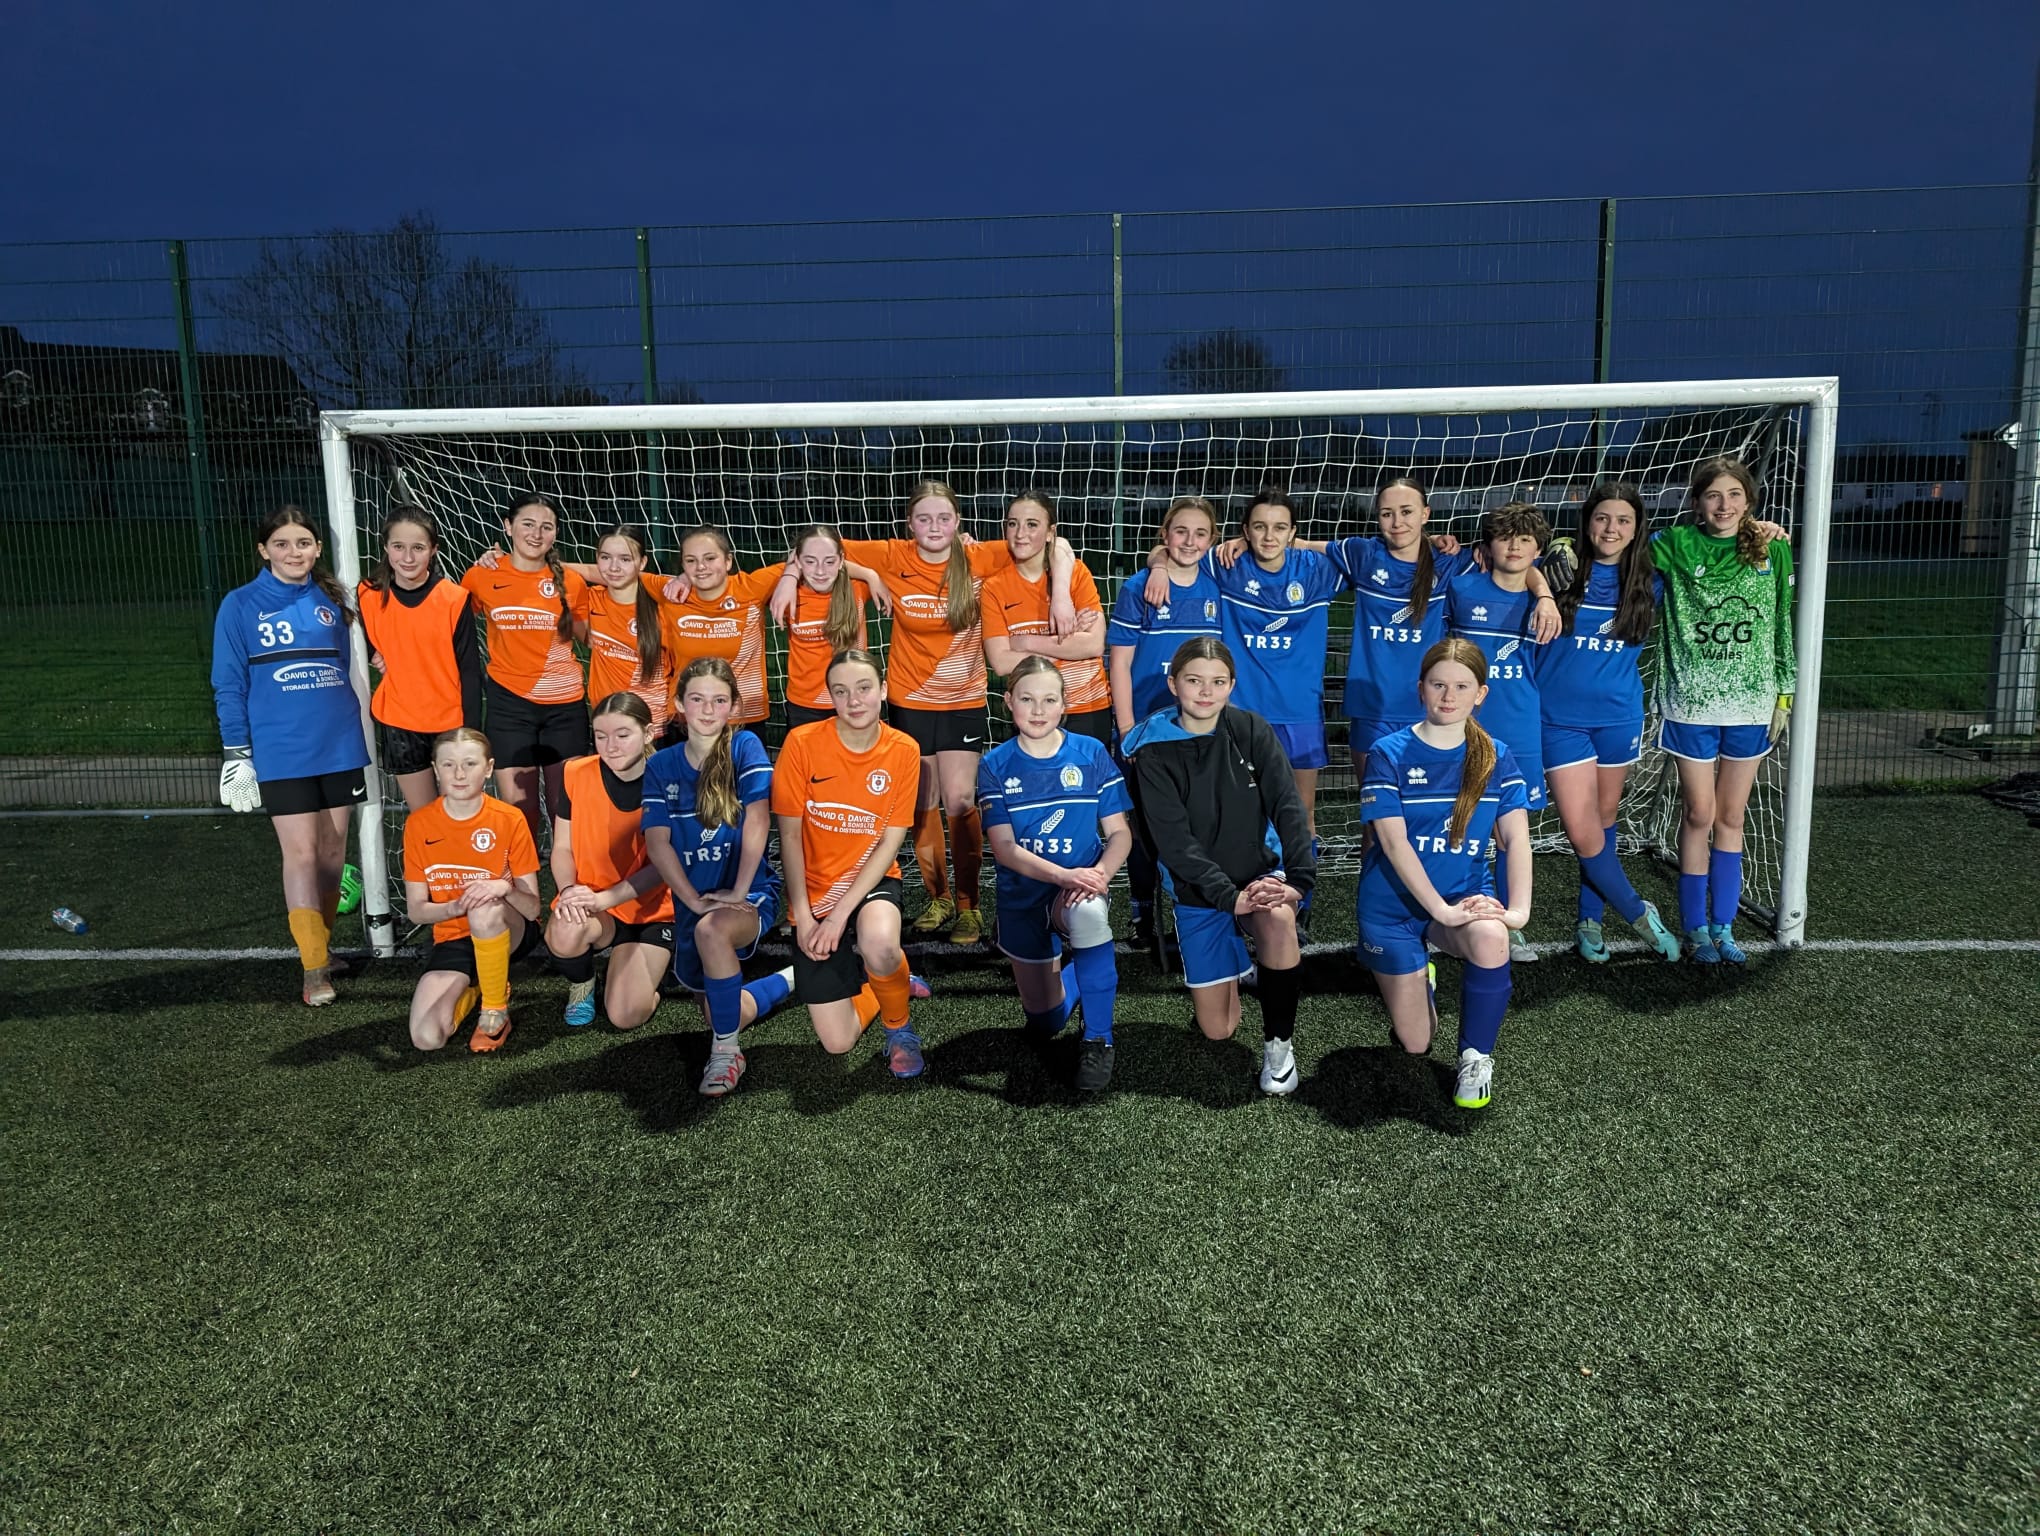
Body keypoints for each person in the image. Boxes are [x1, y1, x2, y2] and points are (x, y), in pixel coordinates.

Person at [792, 481, 1076, 946]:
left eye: (944, 518)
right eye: (923, 518)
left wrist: (1061, 594)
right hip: (910, 699)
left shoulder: (979, 556)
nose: (934, 527)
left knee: (961, 801)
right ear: (910, 524)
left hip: (964, 698)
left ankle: (969, 905)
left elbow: (1057, 546)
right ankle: (938, 897)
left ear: (958, 522)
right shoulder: (893, 555)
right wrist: (869, 575)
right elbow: (820, 548)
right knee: (922, 803)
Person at [1122, 638, 1312, 1097]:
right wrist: (1229, 899)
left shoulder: (1250, 729)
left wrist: (1299, 880)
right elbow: (1174, 843)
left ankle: (1280, 1047)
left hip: (1259, 874)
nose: (1206, 692)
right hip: (1199, 889)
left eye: (1218, 682)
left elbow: (1288, 805)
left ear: (1231, 685)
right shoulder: (1152, 750)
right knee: (1218, 1030)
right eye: (1194, 681)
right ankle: (1236, 956)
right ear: (1174, 684)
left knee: (1278, 918)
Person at [1357, 638, 1530, 1111]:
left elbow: (1516, 839)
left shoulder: (1496, 756)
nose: (1448, 696)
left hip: (1462, 897)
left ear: (1481, 694)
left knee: (1492, 935)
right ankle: (1422, 979)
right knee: (1415, 1043)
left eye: (1461, 686)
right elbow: (1393, 844)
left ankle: (1475, 1059)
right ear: (1421, 689)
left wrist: (1517, 912)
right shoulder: (1388, 752)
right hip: (1392, 908)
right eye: (1438, 685)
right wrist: (1440, 911)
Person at [211, 504, 371, 1007]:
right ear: (264, 550)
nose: (293, 552)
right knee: (301, 853)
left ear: (317, 548)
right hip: (281, 749)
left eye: (303, 543)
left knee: (332, 854)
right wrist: (237, 753)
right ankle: (313, 968)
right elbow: (228, 684)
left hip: (339, 743)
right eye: (281, 544)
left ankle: (322, 945)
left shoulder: (332, 599)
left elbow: (345, 667)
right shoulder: (240, 604)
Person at [1652, 456, 1796, 964]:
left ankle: (1724, 926)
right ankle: (1695, 928)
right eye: (1713, 495)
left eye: (1735, 494)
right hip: (1691, 702)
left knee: (1732, 815)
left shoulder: (1773, 550)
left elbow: (1782, 620)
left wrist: (1785, 691)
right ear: (1696, 502)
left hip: (1752, 702)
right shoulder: (1674, 543)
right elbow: (1616, 548)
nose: (1724, 505)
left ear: (1749, 501)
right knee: (1699, 813)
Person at [1532, 482, 1683, 964]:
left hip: (1619, 718)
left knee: (1603, 821)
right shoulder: (1557, 572)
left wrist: (1760, 530)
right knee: (1581, 831)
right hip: (1559, 721)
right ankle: (1639, 912)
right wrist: (1552, 551)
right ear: (1586, 522)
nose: (1611, 528)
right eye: (1602, 518)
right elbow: (1506, 558)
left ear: (1637, 529)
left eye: (1623, 520)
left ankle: (1589, 920)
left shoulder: (1651, 579)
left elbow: (1705, 540)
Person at [640, 659, 796, 1096]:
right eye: (697, 699)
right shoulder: (661, 764)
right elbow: (657, 843)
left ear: (734, 706)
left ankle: (726, 1055)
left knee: (713, 932)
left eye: (719, 700)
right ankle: (795, 977)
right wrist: (691, 899)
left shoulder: (745, 746)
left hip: (750, 893)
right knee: (722, 1012)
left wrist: (740, 889)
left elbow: (759, 819)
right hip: (694, 900)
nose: (708, 710)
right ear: (678, 704)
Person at [977, 657, 1133, 1091]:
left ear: (1064, 705)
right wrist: (1064, 877)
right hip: (1024, 894)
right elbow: (1005, 849)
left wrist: (1099, 874)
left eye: (1049, 700)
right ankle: (1084, 977)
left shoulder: (1091, 753)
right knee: (1045, 1023)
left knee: (1089, 915)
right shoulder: (994, 764)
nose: (1038, 710)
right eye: (1027, 699)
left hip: (1080, 886)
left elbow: (1120, 834)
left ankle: (1098, 1038)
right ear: (1009, 702)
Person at [770, 648, 927, 1077]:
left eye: (863, 688)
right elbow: (789, 837)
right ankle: (890, 982)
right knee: (837, 1042)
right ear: (830, 696)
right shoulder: (801, 743)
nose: (854, 700)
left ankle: (899, 1027)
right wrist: (804, 916)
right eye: (841, 691)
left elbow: (890, 842)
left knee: (879, 942)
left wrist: (840, 916)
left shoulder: (904, 750)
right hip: (815, 889)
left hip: (871, 878)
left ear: (883, 690)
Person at [1442, 501, 1564, 963]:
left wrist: (1545, 593)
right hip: (1467, 727)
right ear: (1488, 545)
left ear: (1538, 549)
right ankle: (1460, 913)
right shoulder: (1461, 587)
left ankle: (1510, 923)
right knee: (1462, 825)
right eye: (1505, 537)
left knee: (1512, 832)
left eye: (1525, 539)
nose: (1514, 547)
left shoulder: (1544, 602)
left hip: (1521, 727)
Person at [1109, 496, 1222, 952]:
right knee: (1143, 825)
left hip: (1199, 729)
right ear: (1164, 534)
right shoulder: (1139, 587)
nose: (1189, 541)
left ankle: (1193, 907)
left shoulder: (1217, 584)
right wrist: (1127, 730)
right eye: (1180, 531)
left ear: (1212, 540)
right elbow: (1119, 664)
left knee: (1198, 822)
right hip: (1147, 731)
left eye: (1200, 533)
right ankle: (1141, 910)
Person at [543, 692, 677, 1036]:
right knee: (565, 929)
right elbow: (562, 848)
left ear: (648, 734)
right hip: (596, 904)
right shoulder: (576, 773)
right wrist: (569, 890)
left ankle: (662, 969)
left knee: (625, 1015)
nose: (611, 746)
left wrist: (603, 899)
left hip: (652, 911)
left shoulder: (672, 782)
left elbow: (663, 867)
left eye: (622, 735)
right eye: (601, 736)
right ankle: (582, 982)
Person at [402, 728, 543, 1052]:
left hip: (510, 928)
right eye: (448, 764)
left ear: (489, 768)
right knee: (427, 1038)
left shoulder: (509, 819)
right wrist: (455, 907)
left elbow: (533, 909)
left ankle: (495, 1008)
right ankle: (483, 982)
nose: (459, 774)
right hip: (454, 935)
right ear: (435, 769)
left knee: (484, 907)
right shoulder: (419, 824)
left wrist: (503, 888)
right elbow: (417, 911)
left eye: (469, 763)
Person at [460, 492, 589, 842]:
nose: (536, 534)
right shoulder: (481, 576)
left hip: (565, 706)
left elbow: (591, 637)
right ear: (508, 526)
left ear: (556, 533)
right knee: (519, 811)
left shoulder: (572, 582)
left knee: (566, 809)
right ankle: (524, 876)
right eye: (527, 524)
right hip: (509, 706)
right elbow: (450, 626)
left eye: (546, 527)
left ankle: (568, 876)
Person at [356, 505, 481, 811]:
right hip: (400, 722)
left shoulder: (453, 598)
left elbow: (470, 671)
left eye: (418, 548)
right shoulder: (368, 594)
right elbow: (357, 638)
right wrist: (373, 653)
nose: (408, 558)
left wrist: (472, 735)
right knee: (425, 817)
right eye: (398, 547)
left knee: (460, 813)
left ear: (433, 549)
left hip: (450, 724)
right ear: (386, 548)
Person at [981, 491, 1112, 744]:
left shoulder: (1076, 574)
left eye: (1032, 524)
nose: (1020, 534)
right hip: (1033, 713)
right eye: (1013, 524)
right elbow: (1001, 662)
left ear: (1051, 532)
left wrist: (1026, 642)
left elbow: (1094, 645)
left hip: (1088, 705)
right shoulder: (994, 587)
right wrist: (1066, 645)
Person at [774, 524, 879, 731]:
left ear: (841, 561)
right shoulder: (785, 593)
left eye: (829, 562)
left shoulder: (858, 588)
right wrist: (789, 575)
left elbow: (904, 561)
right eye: (810, 562)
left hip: (854, 700)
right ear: (797, 562)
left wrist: (871, 575)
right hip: (804, 703)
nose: (820, 571)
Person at [577, 524, 675, 733]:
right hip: (605, 721)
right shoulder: (590, 599)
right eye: (605, 557)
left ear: (643, 562)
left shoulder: (662, 609)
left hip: (652, 726)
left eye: (625, 559)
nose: (614, 567)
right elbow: (554, 573)